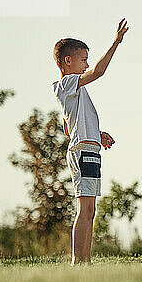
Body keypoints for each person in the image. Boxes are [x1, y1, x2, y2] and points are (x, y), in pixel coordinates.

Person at [52, 19, 129, 264]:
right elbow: (99, 72)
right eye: (83, 59)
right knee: (84, 210)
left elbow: (68, 127)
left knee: (90, 210)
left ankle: (86, 260)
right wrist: (115, 43)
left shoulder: (77, 91)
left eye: (87, 60)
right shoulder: (66, 84)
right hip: (82, 152)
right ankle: (78, 261)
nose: (87, 65)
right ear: (68, 61)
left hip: (90, 149)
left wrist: (98, 134)